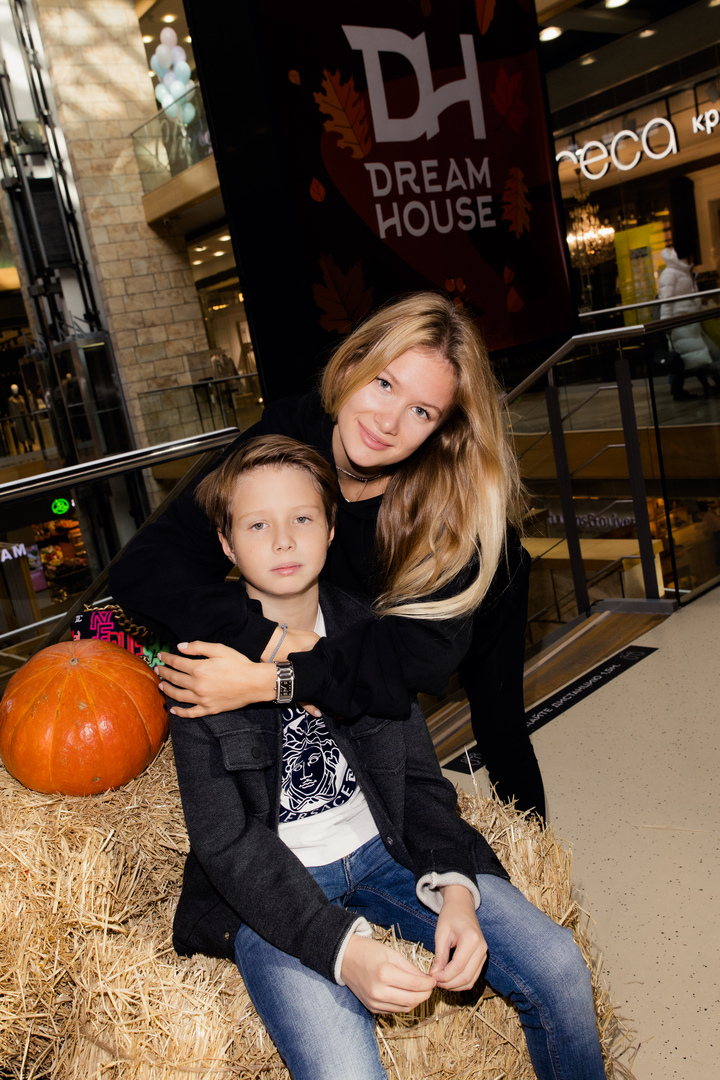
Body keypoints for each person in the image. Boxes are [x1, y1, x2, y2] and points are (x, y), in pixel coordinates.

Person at [169, 435, 606, 1080]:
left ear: (331, 527)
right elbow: (224, 842)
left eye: (302, 518)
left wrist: (455, 888)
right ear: (227, 544)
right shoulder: (200, 662)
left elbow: (419, 785)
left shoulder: (370, 634)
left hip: (386, 852)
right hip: (274, 890)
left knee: (559, 966)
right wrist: (341, 948)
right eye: (257, 525)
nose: (283, 541)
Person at [110, 292, 545, 817]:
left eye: (421, 411)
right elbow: (148, 566)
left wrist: (268, 679)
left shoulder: (454, 507)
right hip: (350, 627)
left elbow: (407, 659)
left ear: (441, 429)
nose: (387, 422)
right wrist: (268, 638)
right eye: (384, 383)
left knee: (500, 728)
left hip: (475, 599)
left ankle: (530, 850)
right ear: (354, 363)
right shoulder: (285, 441)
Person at [658, 243, 720, 400]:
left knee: (694, 357)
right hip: (680, 322)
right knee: (692, 357)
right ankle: (685, 390)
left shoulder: (684, 272)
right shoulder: (670, 274)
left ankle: (682, 390)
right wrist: (666, 322)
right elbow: (666, 300)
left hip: (689, 321)